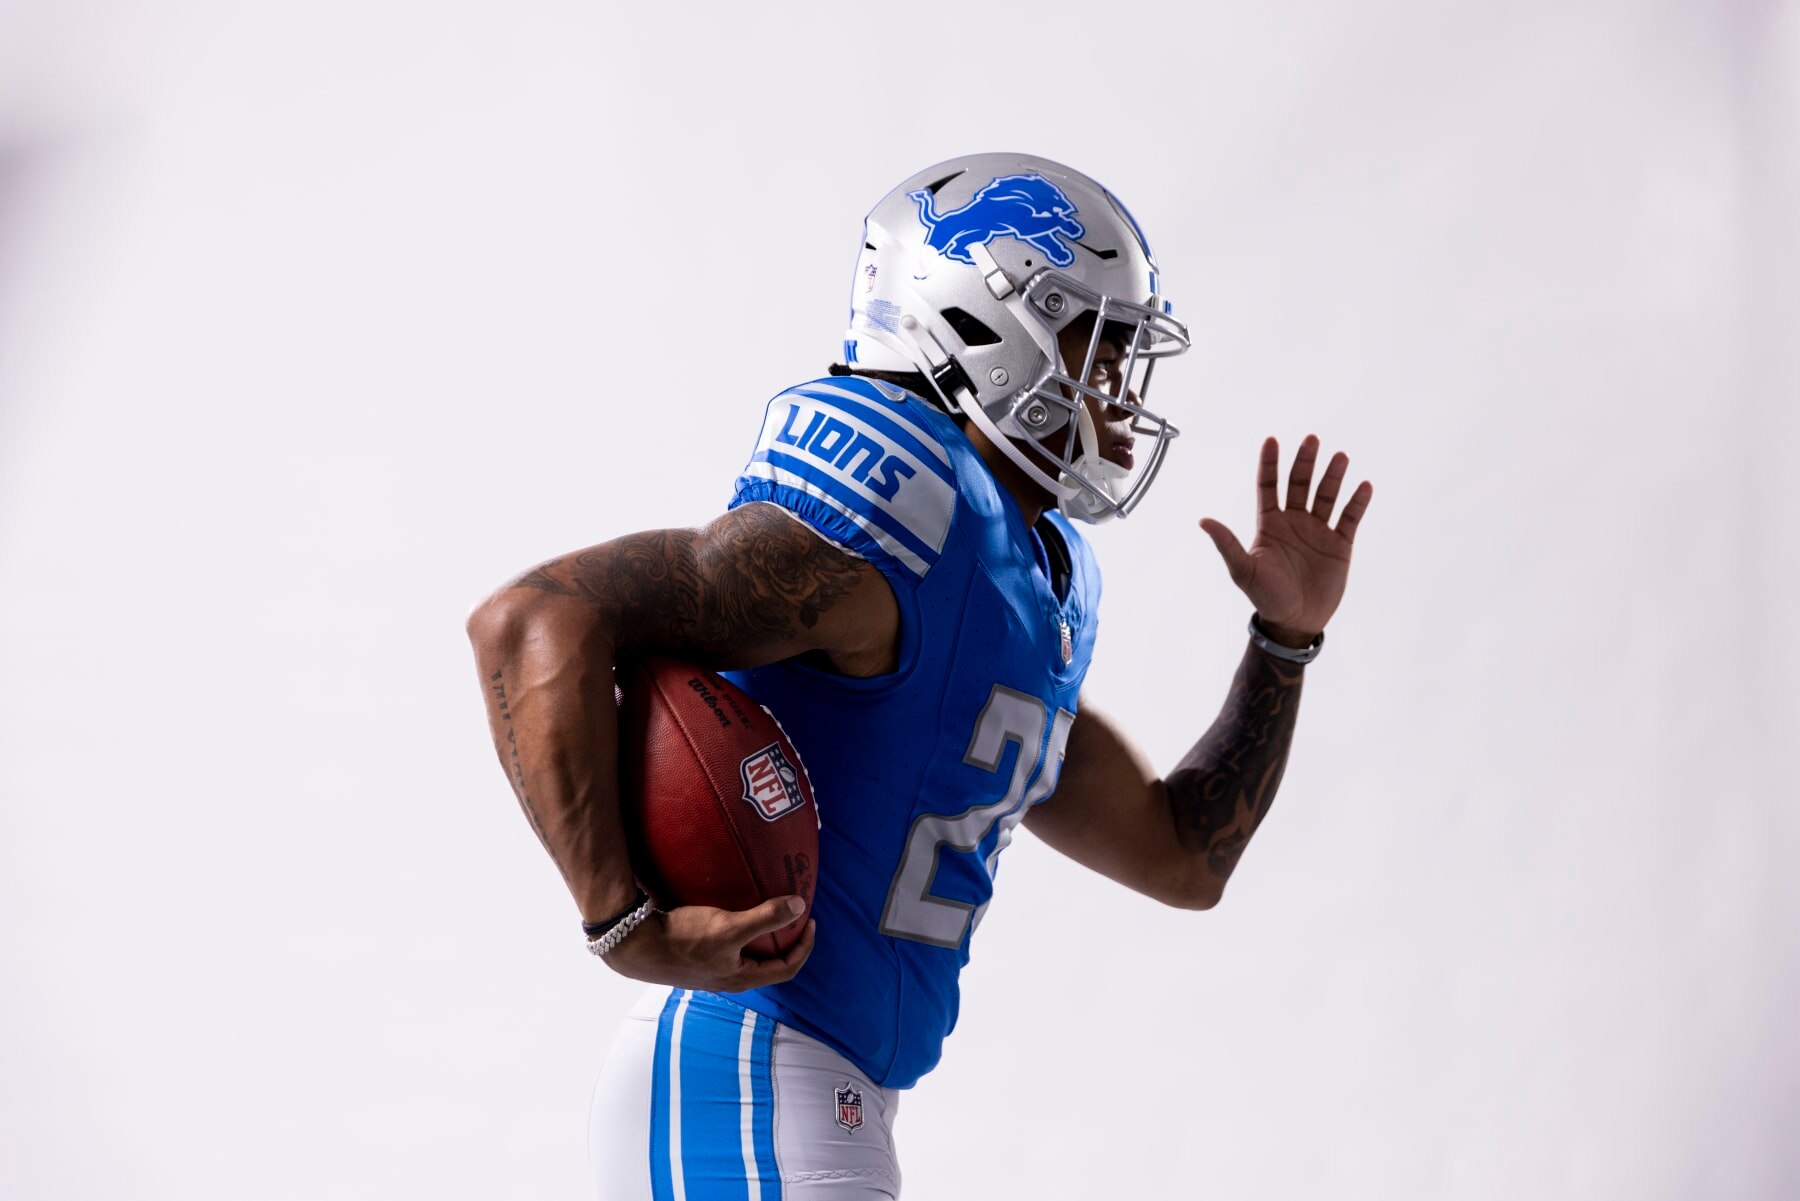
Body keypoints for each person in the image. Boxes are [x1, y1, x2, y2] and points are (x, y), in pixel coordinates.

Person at [467, 152, 1372, 1199]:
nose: (1120, 389)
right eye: (1099, 344)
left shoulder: (1027, 578)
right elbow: (534, 619)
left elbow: (1184, 857)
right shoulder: (899, 514)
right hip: (743, 1074)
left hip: (820, 1091)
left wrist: (1282, 641)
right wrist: (624, 921)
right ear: (981, 326)